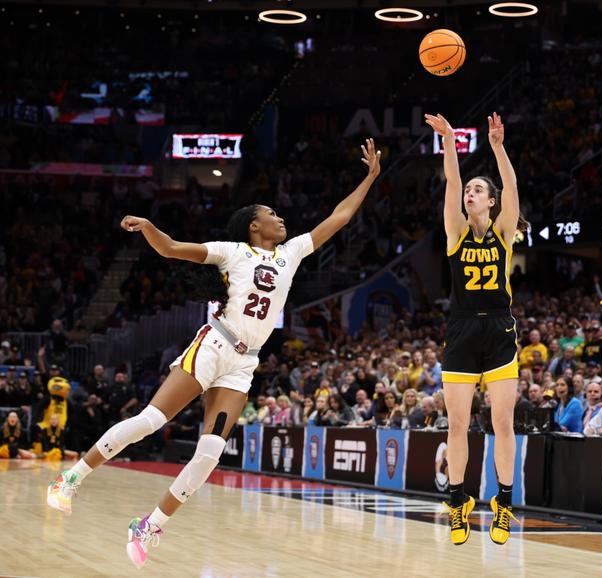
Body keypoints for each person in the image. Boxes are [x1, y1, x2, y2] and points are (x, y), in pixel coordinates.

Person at [46, 139, 382, 568]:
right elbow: (170, 249)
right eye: (271, 215)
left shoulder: (292, 253)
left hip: (245, 362)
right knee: (151, 420)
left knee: (210, 453)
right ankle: (70, 479)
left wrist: (369, 177)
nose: (281, 219)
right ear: (253, 227)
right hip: (215, 343)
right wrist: (149, 226)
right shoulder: (232, 251)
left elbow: (339, 217)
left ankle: (149, 524)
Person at [425, 111, 527, 546]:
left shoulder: (504, 231)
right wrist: (450, 142)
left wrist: (498, 146)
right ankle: (459, 500)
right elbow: (451, 182)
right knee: (458, 424)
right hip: (462, 330)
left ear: (491, 201)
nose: (470, 192)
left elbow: (514, 188)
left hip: (500, 331)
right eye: (469, 188)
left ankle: (503, 503)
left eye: (478, 189)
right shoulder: (455, 233)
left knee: (502, 423)